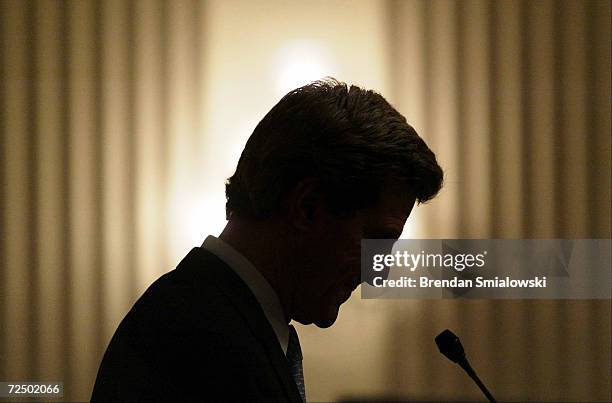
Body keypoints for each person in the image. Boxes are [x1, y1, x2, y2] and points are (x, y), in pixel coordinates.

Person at [91, 78, 443, 402]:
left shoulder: (207, 318)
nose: (375, 274)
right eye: (376, 241)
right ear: (308, 207)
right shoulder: (201, 343)